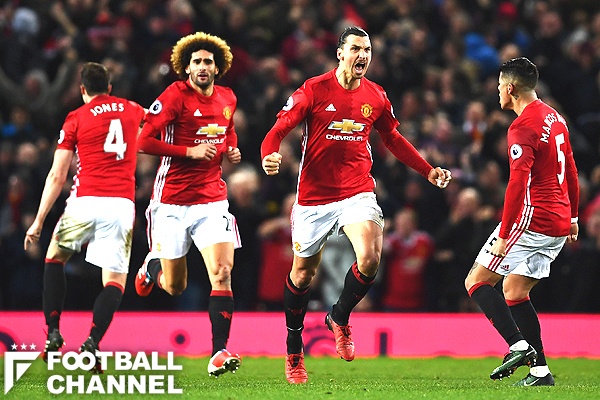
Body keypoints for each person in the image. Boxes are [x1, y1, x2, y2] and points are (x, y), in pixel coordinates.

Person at [260, 26, 452, 384]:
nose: (362, 55)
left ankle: (339, 316)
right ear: (340, 53)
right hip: (314, 198)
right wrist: (268, 154)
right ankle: (293, 347)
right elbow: (278, 129)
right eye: (355, 49)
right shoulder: (313, 90)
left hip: (356, 190)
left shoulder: (376, 95)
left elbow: (392, 137)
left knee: (370, 258)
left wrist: (427, 170)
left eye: (367, 50)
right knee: (302, 274)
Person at [23, 62, 146, 372]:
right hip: (120, 205)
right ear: (109, 88)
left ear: (82, 90)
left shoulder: (76, 117)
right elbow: (159, 126)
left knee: (55, 258)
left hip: (84, 202)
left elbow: (57, 175)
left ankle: (53, 332)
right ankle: (92, 341)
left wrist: (39, 220)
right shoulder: (132, 109)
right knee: (114, 281)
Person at [464, 57, 579, 386]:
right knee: (514, 290)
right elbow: (570, 168)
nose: (498, 91)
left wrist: (504, 234)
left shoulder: (522, 126)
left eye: (500, 85)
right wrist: (573, 216)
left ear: (511, 88)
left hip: (533, 219)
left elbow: (517, 184)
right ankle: (540, 372)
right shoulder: (555, 117)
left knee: (476, 282)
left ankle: (518, 346)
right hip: (558, 223)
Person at [133, 31, 243, 377]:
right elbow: (142, 141)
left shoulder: (227, 98)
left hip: (211, 200)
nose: (202, 67)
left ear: (217, 67)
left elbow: (227, 131)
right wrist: (188, 152)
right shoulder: (174, 96)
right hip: (171, 202)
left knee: (222, 272)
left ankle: (218, 352)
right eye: (196, 61)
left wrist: (231, 149)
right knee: (175, 285)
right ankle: (152, 267)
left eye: (208, 61)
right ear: (186, 67)